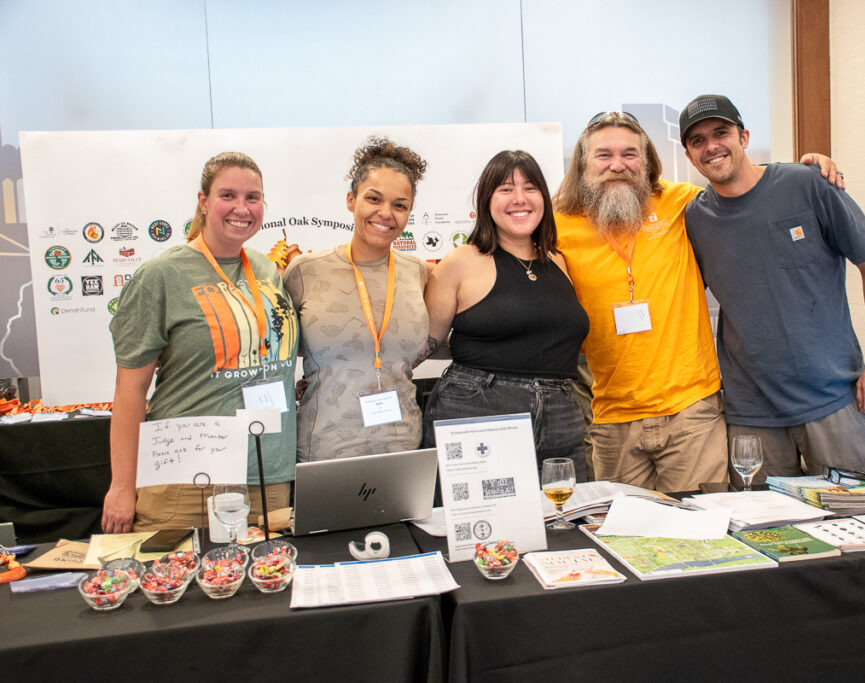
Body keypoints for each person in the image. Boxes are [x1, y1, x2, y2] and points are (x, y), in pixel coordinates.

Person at [553, 111, 842, 493]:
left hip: (692, 414)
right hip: (612, 419)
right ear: (583, 164)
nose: (617, 165)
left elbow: (743, 183)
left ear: (647, 162)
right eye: (603, 155)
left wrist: (805, 169)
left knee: (703, 531)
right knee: (627, 537)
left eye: (630, 154)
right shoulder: (558, 226)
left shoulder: (682, 202)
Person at [680, 94, 865, 484]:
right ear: (689, 155)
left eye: (721, 132)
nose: (711, 146)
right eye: (697, 140)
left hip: (831, 401)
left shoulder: (808, 184)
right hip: (750, 414)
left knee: (857, 524)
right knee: (770, 534)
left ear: (744, 137)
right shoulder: (695, 218)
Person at [102, 151, 299, 533]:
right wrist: (122, 487)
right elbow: (130, 390)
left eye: (253, 198)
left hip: (267, 473)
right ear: (203, 201)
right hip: (188, 476)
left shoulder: (266, 271)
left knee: (265, 588)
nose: (241, 208)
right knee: (180, 588)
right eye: (228, 195)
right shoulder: (160, 276)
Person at [421, 150, 590, 479]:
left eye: (529, 188)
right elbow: (424, 345)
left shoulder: (559, 261)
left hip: (561, 413)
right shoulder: (459, 262)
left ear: (543, 196)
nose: (519, 199)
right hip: (478, 408)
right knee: (482, 525)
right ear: (486, 200)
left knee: (563, 520)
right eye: (505, 189)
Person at [284, 137, 429, 461]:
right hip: (323, 451)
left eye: (400, 205)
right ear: (351, 200)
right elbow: (276, 352)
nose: (385, 213)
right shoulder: (305, 271)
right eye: (373, 199)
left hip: (403, 448)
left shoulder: (417, 272)